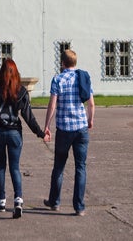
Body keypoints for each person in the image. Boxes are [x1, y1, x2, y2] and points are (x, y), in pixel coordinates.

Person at [0, 58, 48, 219]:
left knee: (0, 166)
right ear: (16, 74)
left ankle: (1, 202)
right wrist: (41, 133)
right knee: (15, 168)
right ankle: (18, 201)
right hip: (15, 133)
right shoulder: (21, 91)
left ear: (1, 73)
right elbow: (29, 117)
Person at [43, 49, 95, 216]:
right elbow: (91, 104)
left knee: (59, 166)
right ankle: (79, 207)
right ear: (75, 62)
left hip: (64, 129)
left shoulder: (58, 79)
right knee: (80, 167)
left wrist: (47, 125)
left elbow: (52, 105)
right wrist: (90, 120)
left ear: (63, 63)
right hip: (81, 128)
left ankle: (55, 202)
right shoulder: (83, 78)